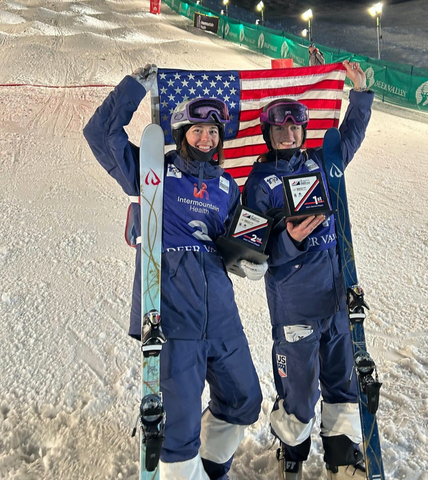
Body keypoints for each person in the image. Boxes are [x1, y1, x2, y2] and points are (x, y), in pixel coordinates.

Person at [83, 65, 267, 480]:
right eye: (197, 130)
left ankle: (213, 466)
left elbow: (238, 241)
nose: (206, 138)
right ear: (182, 134)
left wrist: (249, 260)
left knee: (244, 399)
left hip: (220, 310)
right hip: (173, 310)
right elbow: (99, 135)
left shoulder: (228, 188)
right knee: (178, 427)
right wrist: (132, 87)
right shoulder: (154, 172)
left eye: (213, 131)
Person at [242, 61, 374, 480]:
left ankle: (340, 453)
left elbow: (349, 137)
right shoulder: (259, 183)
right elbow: (252, 255)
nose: (289, 134)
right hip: (294, 303)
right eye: (280, 129)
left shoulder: (321, 163)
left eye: (295, 127)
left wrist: (361, 95)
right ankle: (293, 450)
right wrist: (291, 239)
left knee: (340, 381)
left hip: (334, 298)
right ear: (269, 134)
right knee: (300, 387)